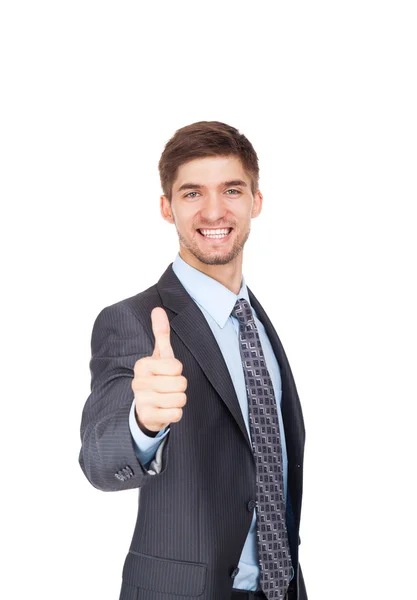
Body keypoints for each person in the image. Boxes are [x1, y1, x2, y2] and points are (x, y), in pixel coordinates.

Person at [79, 121, 308, 600]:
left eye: (231, 190)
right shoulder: (135, 321)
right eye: (191, 193)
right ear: (167, 208)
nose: (213, 210)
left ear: (256, 202)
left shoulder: (260, 326)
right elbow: (99, 459)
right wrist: (141, 423)